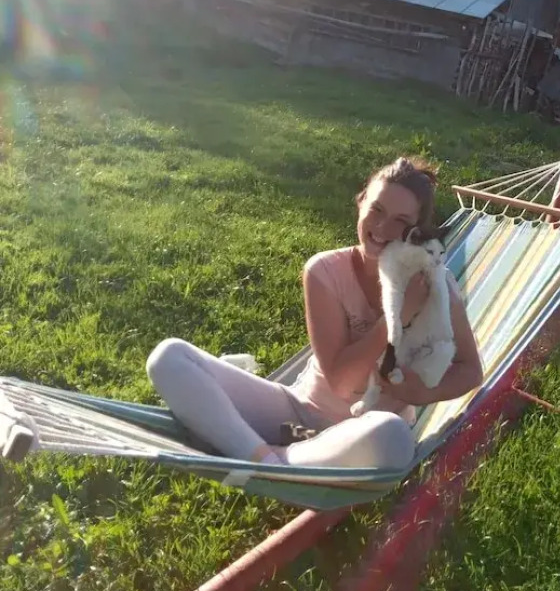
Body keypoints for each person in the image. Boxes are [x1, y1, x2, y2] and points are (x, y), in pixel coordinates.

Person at [146, 157, 484, 471]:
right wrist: (394, 316)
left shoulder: (433, 284)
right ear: (361, 202)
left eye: (401, 221)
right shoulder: (325, 270)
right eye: (376, 209)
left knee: (394, 438)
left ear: (416, 232)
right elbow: (342, 383)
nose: (382, 227)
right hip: (297, 411)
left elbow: (470, 370)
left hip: (361, 432)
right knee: (169, 357)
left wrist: (422, 394)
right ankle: (269, 461)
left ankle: (274, 457)